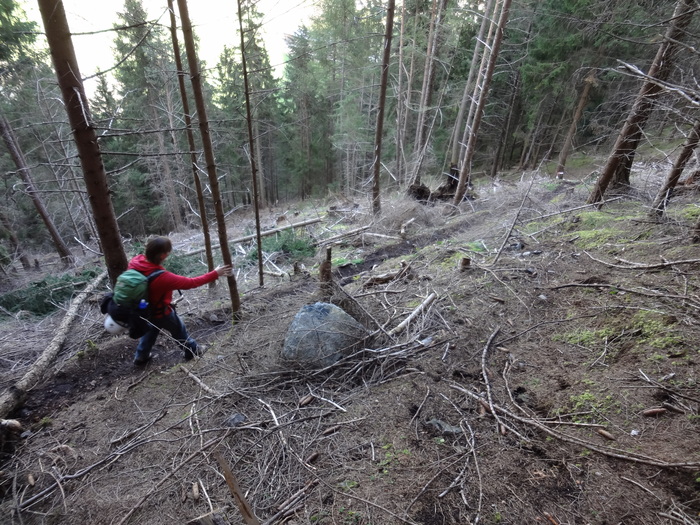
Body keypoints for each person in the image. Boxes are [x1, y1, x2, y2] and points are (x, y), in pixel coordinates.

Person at [128, 236, 232, 365]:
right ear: (163, 256)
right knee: (178, 329)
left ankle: (141, 356)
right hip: (161, 312)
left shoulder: (135, 262)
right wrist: (215, 273)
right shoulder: (163, 277)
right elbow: (192, 283)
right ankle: (193, 350)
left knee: (150, 330)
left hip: (143, 310)